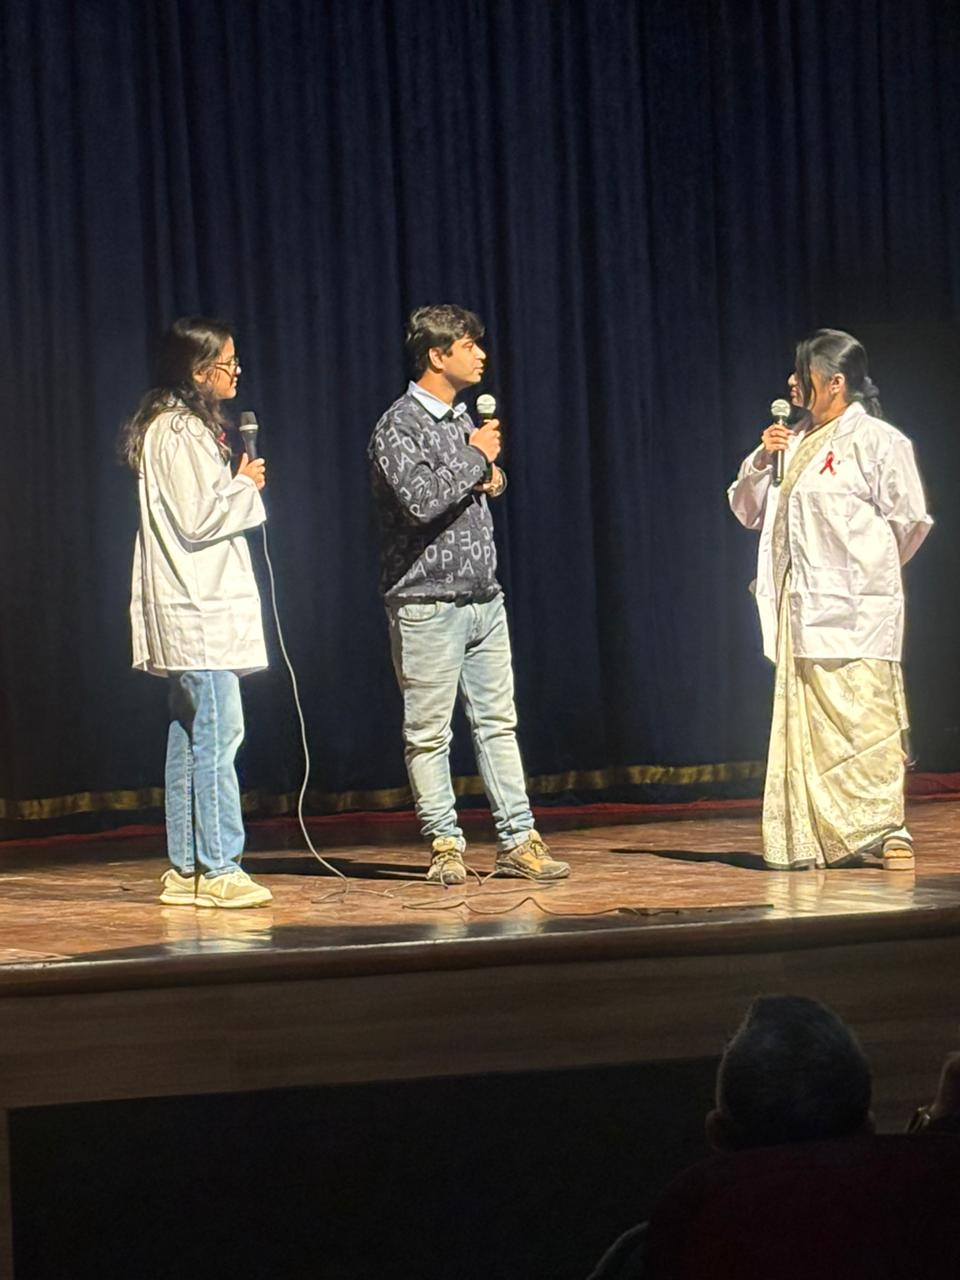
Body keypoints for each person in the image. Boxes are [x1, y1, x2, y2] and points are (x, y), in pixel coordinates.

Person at [368, 304, 570, 885]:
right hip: (426, 603)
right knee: (429, 735)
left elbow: (480, 481)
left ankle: (519, 840)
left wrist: (491, 473)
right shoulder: (398, 426)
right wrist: (478, 456)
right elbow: (421, 500)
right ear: (437, 356)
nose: (481, 355)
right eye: (468, 345)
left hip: (484, 598)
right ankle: (445, 846)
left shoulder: (461, 419)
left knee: (498, 724)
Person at [728, 330, 932, 871]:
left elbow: (910, 522)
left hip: (860, 609)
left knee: (865, 723)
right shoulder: (789, 441)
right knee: (814, 731)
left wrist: (864, 576)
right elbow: (746, 511)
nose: (792, 382)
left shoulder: (879, 442)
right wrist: (762, 458)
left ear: (835, 382)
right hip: (801, 610)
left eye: (803, 373)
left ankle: (886, 828)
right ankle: (818, 837)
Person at [121, 316, 273, 908]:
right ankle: (219, 867)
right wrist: (244, 485)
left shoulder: (172, 426)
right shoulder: (179, 428)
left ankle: (186, 869)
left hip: (195, 607)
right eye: (227, 362)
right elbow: (199, 517)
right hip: (198, 609)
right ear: (198, 369)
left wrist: (234, 484)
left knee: (191, 737)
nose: (236, 371)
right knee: (217, 736)